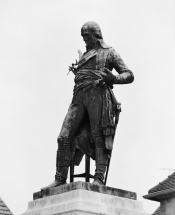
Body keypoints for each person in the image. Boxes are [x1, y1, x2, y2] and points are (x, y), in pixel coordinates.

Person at [41, 21, 134, 190]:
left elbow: (129, 74)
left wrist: (113, 78)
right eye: (83, 36)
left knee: (98, 135)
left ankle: (98, 178)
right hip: (79, 96)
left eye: (87, 35)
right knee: (63, 136)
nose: (84, 39)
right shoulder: (85, 55)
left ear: (96, 34)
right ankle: (60, 179)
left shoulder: (109, 52)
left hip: (97, 94)